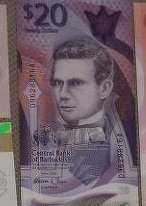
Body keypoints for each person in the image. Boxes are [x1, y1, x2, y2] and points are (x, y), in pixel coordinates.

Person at [45, 37, 129, 184]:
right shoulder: (54, 136)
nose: (63, 94)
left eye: (76, 83)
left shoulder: (111, 146)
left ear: (104, 89)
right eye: (57, 83)